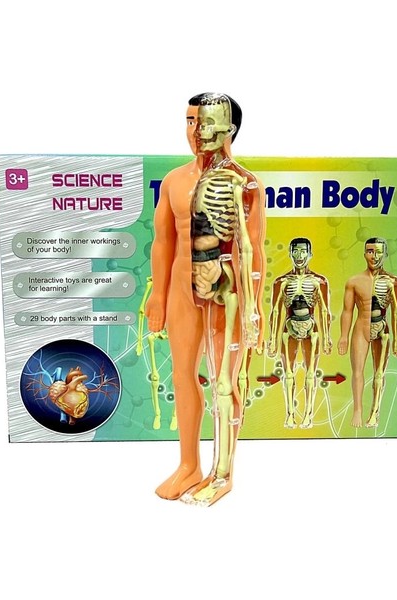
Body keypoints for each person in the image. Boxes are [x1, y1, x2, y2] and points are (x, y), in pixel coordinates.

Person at [145, 93, 266, 505]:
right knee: (182, 376)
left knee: (224, 380)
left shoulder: (245, 183)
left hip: (225, 290)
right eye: (190, 121)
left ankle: (223, 472)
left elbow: (254, 248)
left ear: (229, 127)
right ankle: (188, 465)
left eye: (204, 121)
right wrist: (157, 294)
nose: (196, 131)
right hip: (182, 289)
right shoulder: (174, 181)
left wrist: (254, 305)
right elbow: (163, 241)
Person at [338, 237, 397, 428]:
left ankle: (375, 412)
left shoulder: (394, 282)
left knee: (379, 372)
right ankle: (357, 410)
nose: (374, 256)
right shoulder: (354, 281)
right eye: (370, 251)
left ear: (386, 253)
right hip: (361, 327)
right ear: (364, 254)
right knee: (357, 371)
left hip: (382, 329)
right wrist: (343, 336)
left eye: (379, 252)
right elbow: (347, 310)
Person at [267, 238, 332, 428]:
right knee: (288, 374)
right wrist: (272, 339)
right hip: (289, 328)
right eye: (295, 251)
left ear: (310, 254)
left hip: (312, 330)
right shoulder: (281, 282)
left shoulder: (319, 281)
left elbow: (324, 310)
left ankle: (308, 416)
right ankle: (289, 415)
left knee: (311, 374)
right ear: (290, 253)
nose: (299, 255)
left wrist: (327, 338)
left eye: (303, 251)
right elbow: (275, 311)